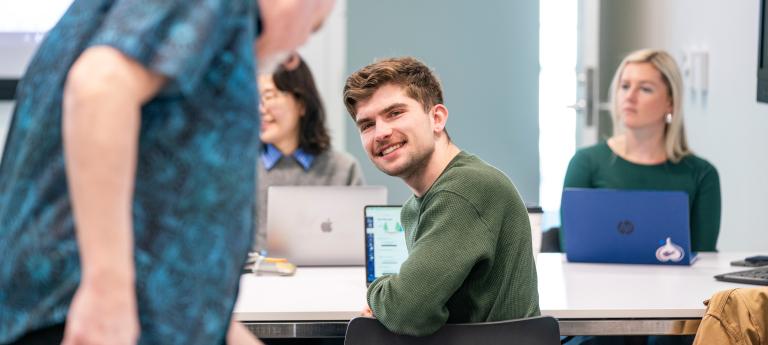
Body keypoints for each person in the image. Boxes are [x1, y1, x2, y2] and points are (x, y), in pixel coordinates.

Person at [0, 1, 334, 344]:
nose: (293, 56)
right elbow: (99, 86)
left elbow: (166, 247)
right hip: (86, 321)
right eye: (313, 28)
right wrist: (107, 293)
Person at [343, 57, 540, 336]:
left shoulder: (463, 189)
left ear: (436, 118)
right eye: (367, 125)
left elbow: (407, 311)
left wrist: (377, 290)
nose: (381, 132)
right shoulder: (417, 204)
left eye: (395, 113)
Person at [563, 49, 721, 253]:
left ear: (670, 103)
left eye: (645, 89)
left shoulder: (702, 174)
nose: (630, 96)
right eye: (625, 86)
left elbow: (704, 258)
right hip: (597, 284)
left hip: (677, 285)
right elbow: (571, 249)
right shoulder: (585, 163)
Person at [254, 55, 365, 252]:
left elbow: (358, 248)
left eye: (269, 96)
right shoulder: (238, 170)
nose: (260, 108)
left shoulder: (342, 168)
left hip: (327, 281)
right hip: (254, 282)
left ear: (301, 104)